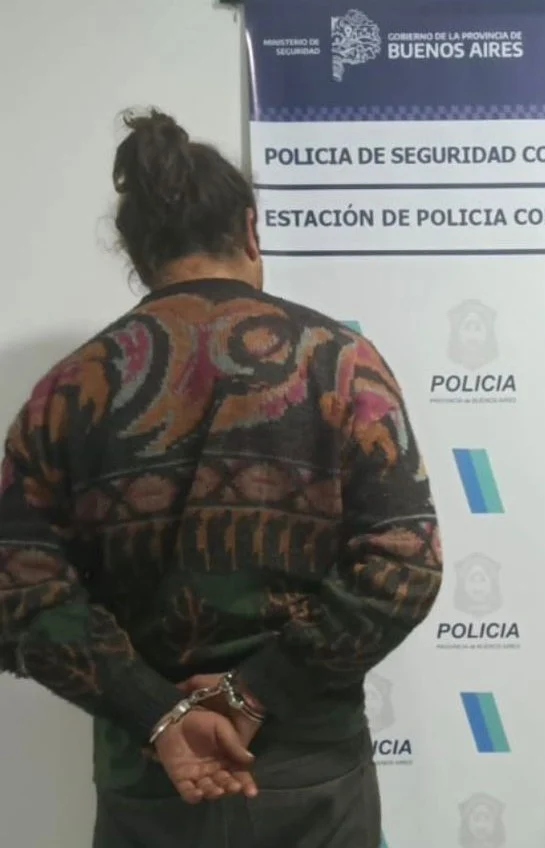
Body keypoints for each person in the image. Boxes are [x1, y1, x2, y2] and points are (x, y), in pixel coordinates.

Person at [0, 108, 442, 848]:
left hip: (151, 777)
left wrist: (156, 712)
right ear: (249, 231)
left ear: (139, 255)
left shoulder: (69, 390)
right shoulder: (340, 363)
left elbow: (19, 589)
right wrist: (256, 693)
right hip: (308, 776)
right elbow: (405, 565)